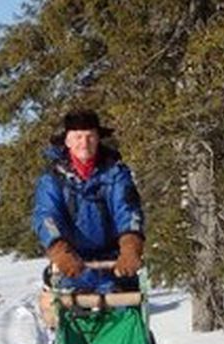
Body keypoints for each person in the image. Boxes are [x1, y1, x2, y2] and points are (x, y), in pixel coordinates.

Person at [31, 109, 145, 293]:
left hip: (115, 263)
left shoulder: (116, 173)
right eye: (78, 137)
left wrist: (130, 246)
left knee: (127, 313)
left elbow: (128, 209)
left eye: (90, 136)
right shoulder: (52, 179)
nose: (84, 143)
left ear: (98, 139)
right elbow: (47, 216)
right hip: (71, 264)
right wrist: (60, 251)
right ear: (67, 141)